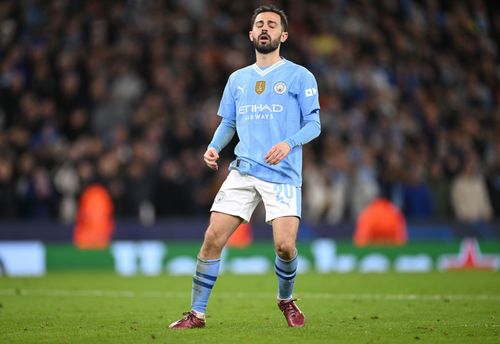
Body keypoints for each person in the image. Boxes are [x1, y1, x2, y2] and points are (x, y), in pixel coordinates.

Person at [169, 5, 321, 329]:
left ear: (284, 35)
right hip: (243, 170)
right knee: (212, 238)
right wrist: (213, 147)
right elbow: (229, 123)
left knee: (285, 246)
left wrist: (288, 143)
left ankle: (286, 299)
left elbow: (314, 124)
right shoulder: (237, 79)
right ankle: (196, 314)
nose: (265, 29)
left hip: (282, 172)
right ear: (251, 34)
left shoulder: (299, 75)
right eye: (259, 25)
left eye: (271, 24)